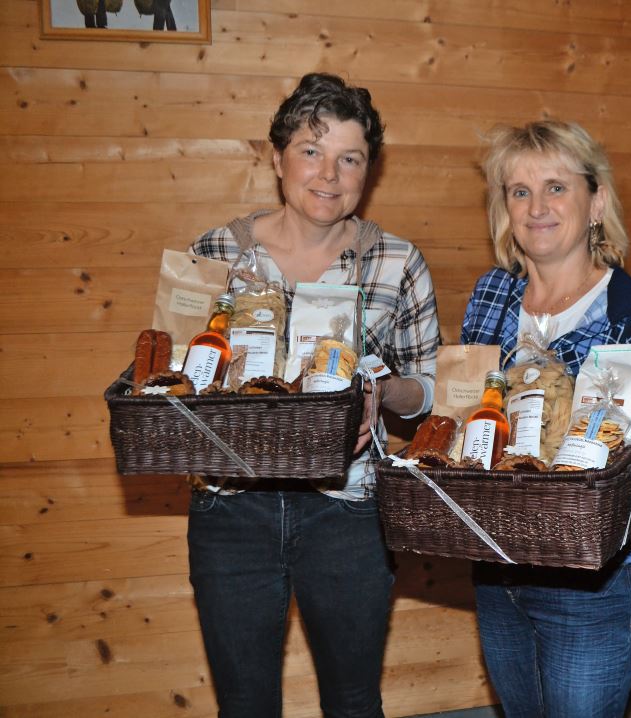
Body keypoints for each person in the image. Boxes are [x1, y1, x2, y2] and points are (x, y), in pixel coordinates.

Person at [187, 73, 440, 717]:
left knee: (353, 701)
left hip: (348, 509)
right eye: (310, 150)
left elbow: (427, 391)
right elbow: (182, 383)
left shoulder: (397, 262)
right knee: (244, 705)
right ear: (277, 159)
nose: (329, 174)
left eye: (349, 158)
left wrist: (381, 391)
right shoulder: (217, 252)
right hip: (230, 507)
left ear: (367, 172)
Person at [460, 120, 631, 717]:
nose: (537, 208)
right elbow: (464, 421)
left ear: (597, 202)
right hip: (496, 572)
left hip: (592, 588)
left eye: (557, 187)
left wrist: (592, 524)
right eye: (519, 191)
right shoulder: (491, 298)